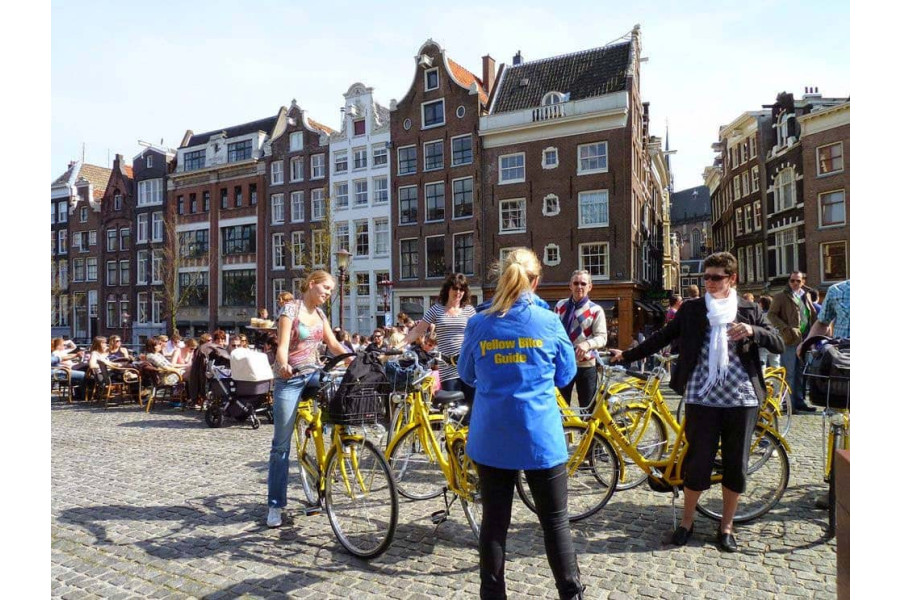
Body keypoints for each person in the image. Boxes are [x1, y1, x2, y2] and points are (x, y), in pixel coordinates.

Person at [609, 252, 783, 553]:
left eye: (716, 277)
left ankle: (726, 527)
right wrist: (626, 355)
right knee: (697, 462)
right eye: (706, 277)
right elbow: (662, 337)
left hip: (741, 399)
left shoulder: (749, 310)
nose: (709, 283)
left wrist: (754, 331)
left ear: (732, 279)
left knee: (735, 465)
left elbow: (778, 340)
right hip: (701, 397)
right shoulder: (692, 310)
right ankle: (687, 522)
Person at [458, 248, 583, 599]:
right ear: (536, 281)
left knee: (495, 525)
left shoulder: (479, 323)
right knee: (555, 521)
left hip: (492, 435)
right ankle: (571, 594)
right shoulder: (549, 321)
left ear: (502, 279)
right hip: (539, 435)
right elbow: (566, 375)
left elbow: (466, 373)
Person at [267, 270, 349, 528]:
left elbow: (334, 345)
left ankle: (336, 449)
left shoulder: (321, 315)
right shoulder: (290, 310)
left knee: (341, 397)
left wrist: (356, 358)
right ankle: (275, 505)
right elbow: (281, 347)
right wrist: (282, 364)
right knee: (281, 444)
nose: (328, 294)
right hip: (290, 378)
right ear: (312, 284)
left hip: (314, 374)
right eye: (325, 288)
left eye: (331, 290)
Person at [405, 273, 477, 406]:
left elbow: (478, 334)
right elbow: (418, 330)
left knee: (470, 411)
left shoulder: (469, 310)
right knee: (452, 411)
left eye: (462, 289)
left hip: (468, 366)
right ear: (448, 289)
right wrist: (399, 345)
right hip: (448, 367)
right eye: (455, 288)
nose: (458, 292)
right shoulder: (437, 310)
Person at [553, 270, 607, 408]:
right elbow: (553, 333)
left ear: (590, 286)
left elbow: (602, 337)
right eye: (576, 283)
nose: (579, 287)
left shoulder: (596, 310)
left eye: (583, 283)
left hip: (586, 365)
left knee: (587, 408)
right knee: (560, 407)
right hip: (563, 363)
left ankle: (586, 430)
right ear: (570, 285)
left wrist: (587, 344)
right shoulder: (560, 306)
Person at [767, 271, 817, 413]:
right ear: (788, 281)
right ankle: (788, 404)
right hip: (790, 339)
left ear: (803, 281)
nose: (795, 283)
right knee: (789, 372)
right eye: (792, 281)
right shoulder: (781, 296)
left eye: (798, 281)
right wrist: (785, 328)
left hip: (805, 339)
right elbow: (771, 314)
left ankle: (799, 401)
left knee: (801, 372)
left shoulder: (805, 295)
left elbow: (809, 314)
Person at [757, 295, 781, 368]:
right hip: (775, 342)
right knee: (776, 365)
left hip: (764, 343)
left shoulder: (760, 315)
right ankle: (777, 379)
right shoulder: (776, 315)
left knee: (762, 366)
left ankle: (763, 379)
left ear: (762, 304)